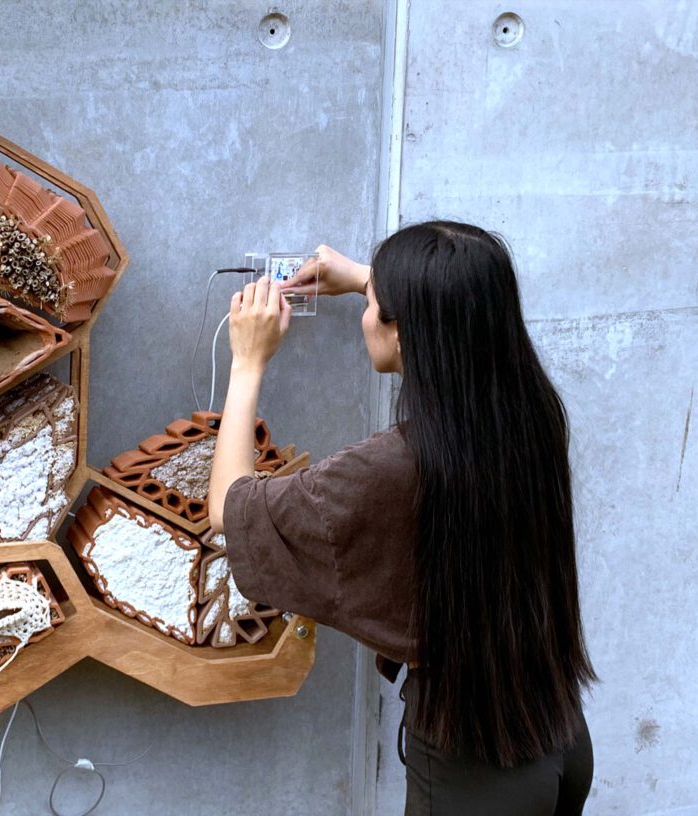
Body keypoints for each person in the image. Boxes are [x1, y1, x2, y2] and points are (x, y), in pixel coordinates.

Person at [207, 221, 596, 815]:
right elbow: (462, 308)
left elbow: (229, 509)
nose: (365, 311)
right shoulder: (529, 414)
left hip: (475, 768)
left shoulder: (392, 470)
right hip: (556, 733)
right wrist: (366, 278)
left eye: (372, 305)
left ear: (406, 331)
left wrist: (247, 362)